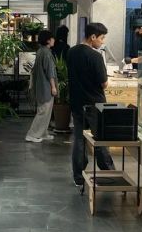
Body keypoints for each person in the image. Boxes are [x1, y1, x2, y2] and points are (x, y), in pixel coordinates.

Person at [67, 21, 116, 187]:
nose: (102, 41)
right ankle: (109, 172)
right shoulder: (95, 56)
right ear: (93, 37)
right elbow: (104, 83)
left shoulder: (71, 52)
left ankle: (78, 176)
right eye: (102, 38)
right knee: (100, 139)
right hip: (95, 104)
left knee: (79, 139)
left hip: (76, 102)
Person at [25, 30, 57, 143]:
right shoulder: (47, 53)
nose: (54, 40)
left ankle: (43, 133)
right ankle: (32, 134)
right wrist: (53, 87)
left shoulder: (40, 51)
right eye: (52, 38)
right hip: (46, 87)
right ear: (48, 40)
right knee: (43, 111)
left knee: (45, 111)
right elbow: (50, 72)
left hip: (40, 86)